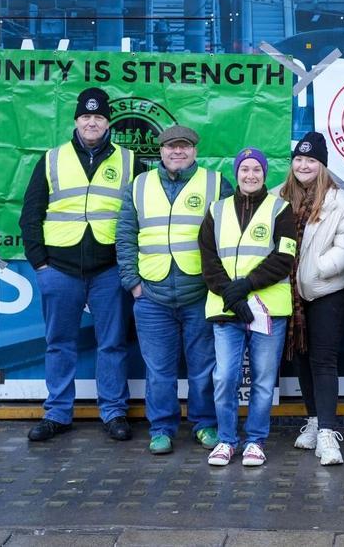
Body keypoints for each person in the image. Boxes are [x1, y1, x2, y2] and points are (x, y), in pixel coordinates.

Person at [20, 87, 135, 443]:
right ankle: (57, 413)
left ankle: (114, 412)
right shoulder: (52, 159)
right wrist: (41, 264)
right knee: (59, 343)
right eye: (86, 116)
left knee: (112, 344)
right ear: (76, 120)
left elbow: (143, 214)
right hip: (59, 268)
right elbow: (30, 215)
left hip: (109, 270)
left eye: (99, 117)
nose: (92, 122)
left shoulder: (129, 161)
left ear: (108, 122)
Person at [116, 125, 230, 455]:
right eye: (170, 147)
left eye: (184, 147)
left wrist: (218, 285)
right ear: (160, 151)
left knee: (203, 368)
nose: (177, 152)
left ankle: (204, 423)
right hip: (151, 295)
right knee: (159, 371)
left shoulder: (215, 183)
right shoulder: (139, 185)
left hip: (199, 294)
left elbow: (230, 234)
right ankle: (162, 428)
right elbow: (125, 235)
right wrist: (133, 283)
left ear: (195, 150)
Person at [198, 147, 297, 467]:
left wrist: (246, 286)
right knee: (225, 377)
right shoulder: (216, 209)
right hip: (227, 309)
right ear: (236, 173)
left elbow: (284, 258)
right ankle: (227, 440)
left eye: (257, 169)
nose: (250, 175)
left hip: (267, 309)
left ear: (265, 174)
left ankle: (255, 441)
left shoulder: (281, 209)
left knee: (264, 379)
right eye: (245, 169)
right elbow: (208, 259)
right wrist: (233, 296)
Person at [282, 132, 344, 466]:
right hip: (289, 293)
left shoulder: (340, 201)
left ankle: (327, 431)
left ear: (322, 164)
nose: (303, 165)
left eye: (311, 160)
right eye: (299, 159)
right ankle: (313, 420)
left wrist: (316, 271)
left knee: (323, 359)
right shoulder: (277, 197)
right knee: (300, 355)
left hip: (328, 289)